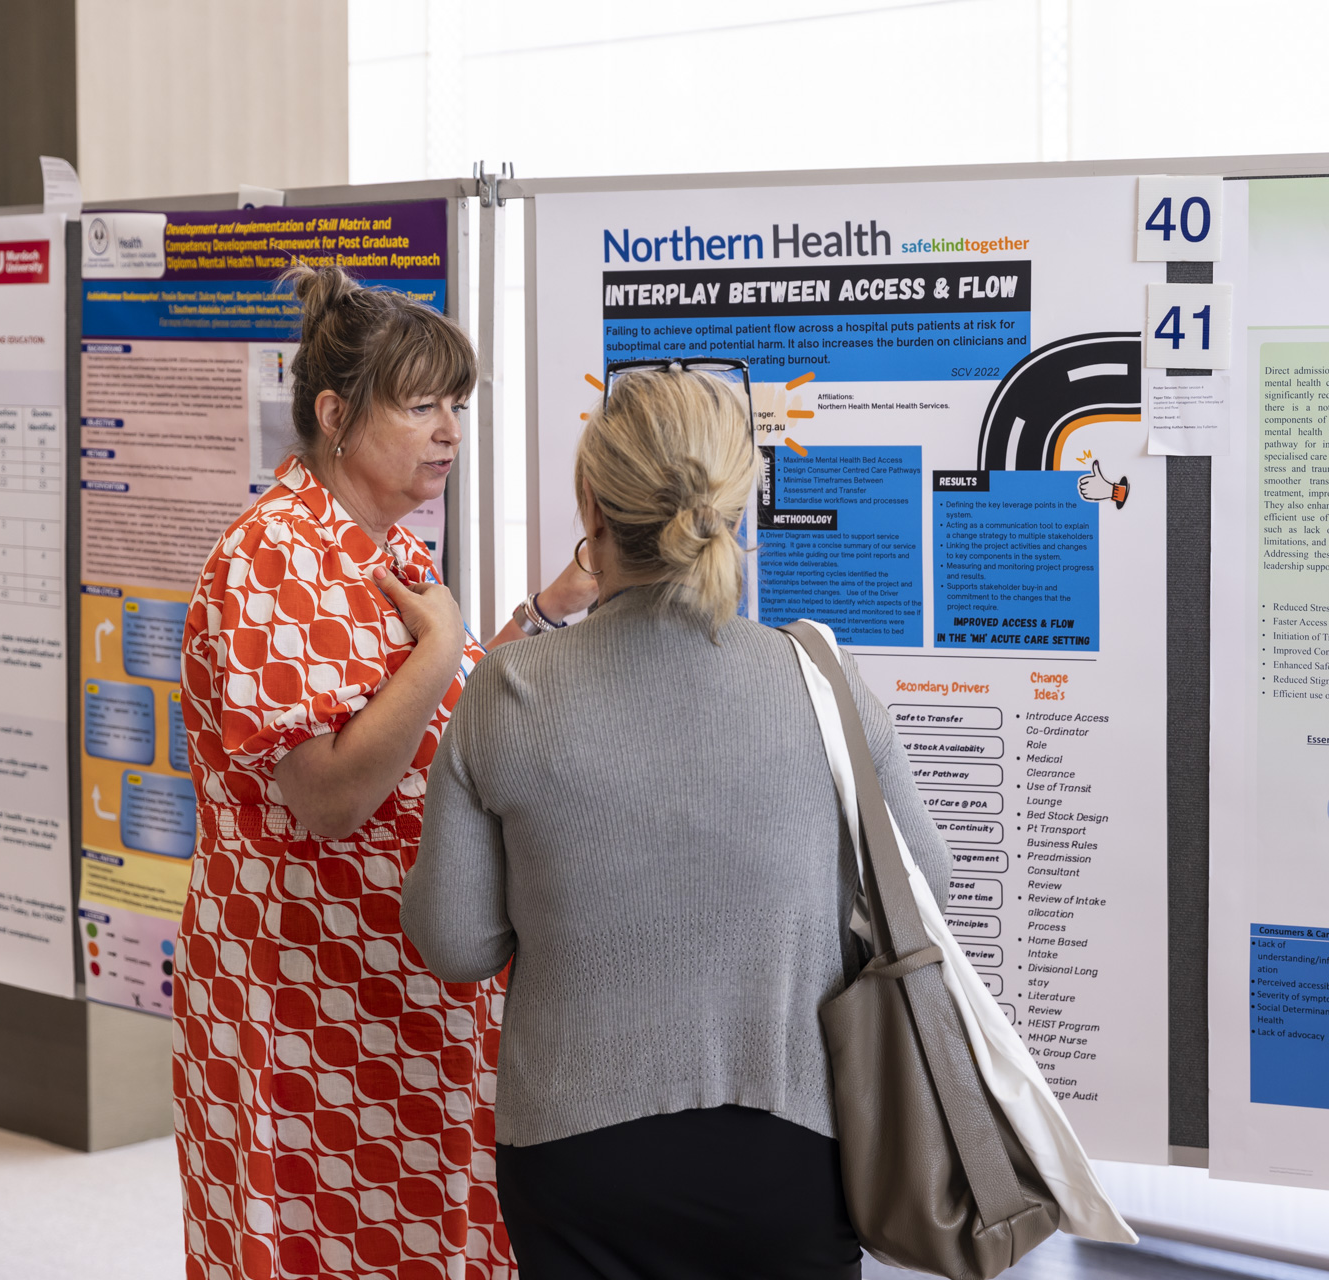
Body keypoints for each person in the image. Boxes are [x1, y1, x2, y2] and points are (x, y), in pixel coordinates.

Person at [403, 364, 953, 1279]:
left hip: (572, 1156)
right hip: (794, 1143)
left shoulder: (513, 688)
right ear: (741, 505)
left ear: (592, 505)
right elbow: (923, 884)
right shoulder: (818, 677)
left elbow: (456, 944)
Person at [173, 263, 597, 1280]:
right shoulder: (272, 554)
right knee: (313, 1244)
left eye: (458, 402)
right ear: (335, 413)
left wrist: (548, 608)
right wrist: (443, 646)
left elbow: (428, 720)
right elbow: (327, 794)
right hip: (306, 1001)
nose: (450, 429)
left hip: (394, 983)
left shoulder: (381, 544)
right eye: (421, 404)